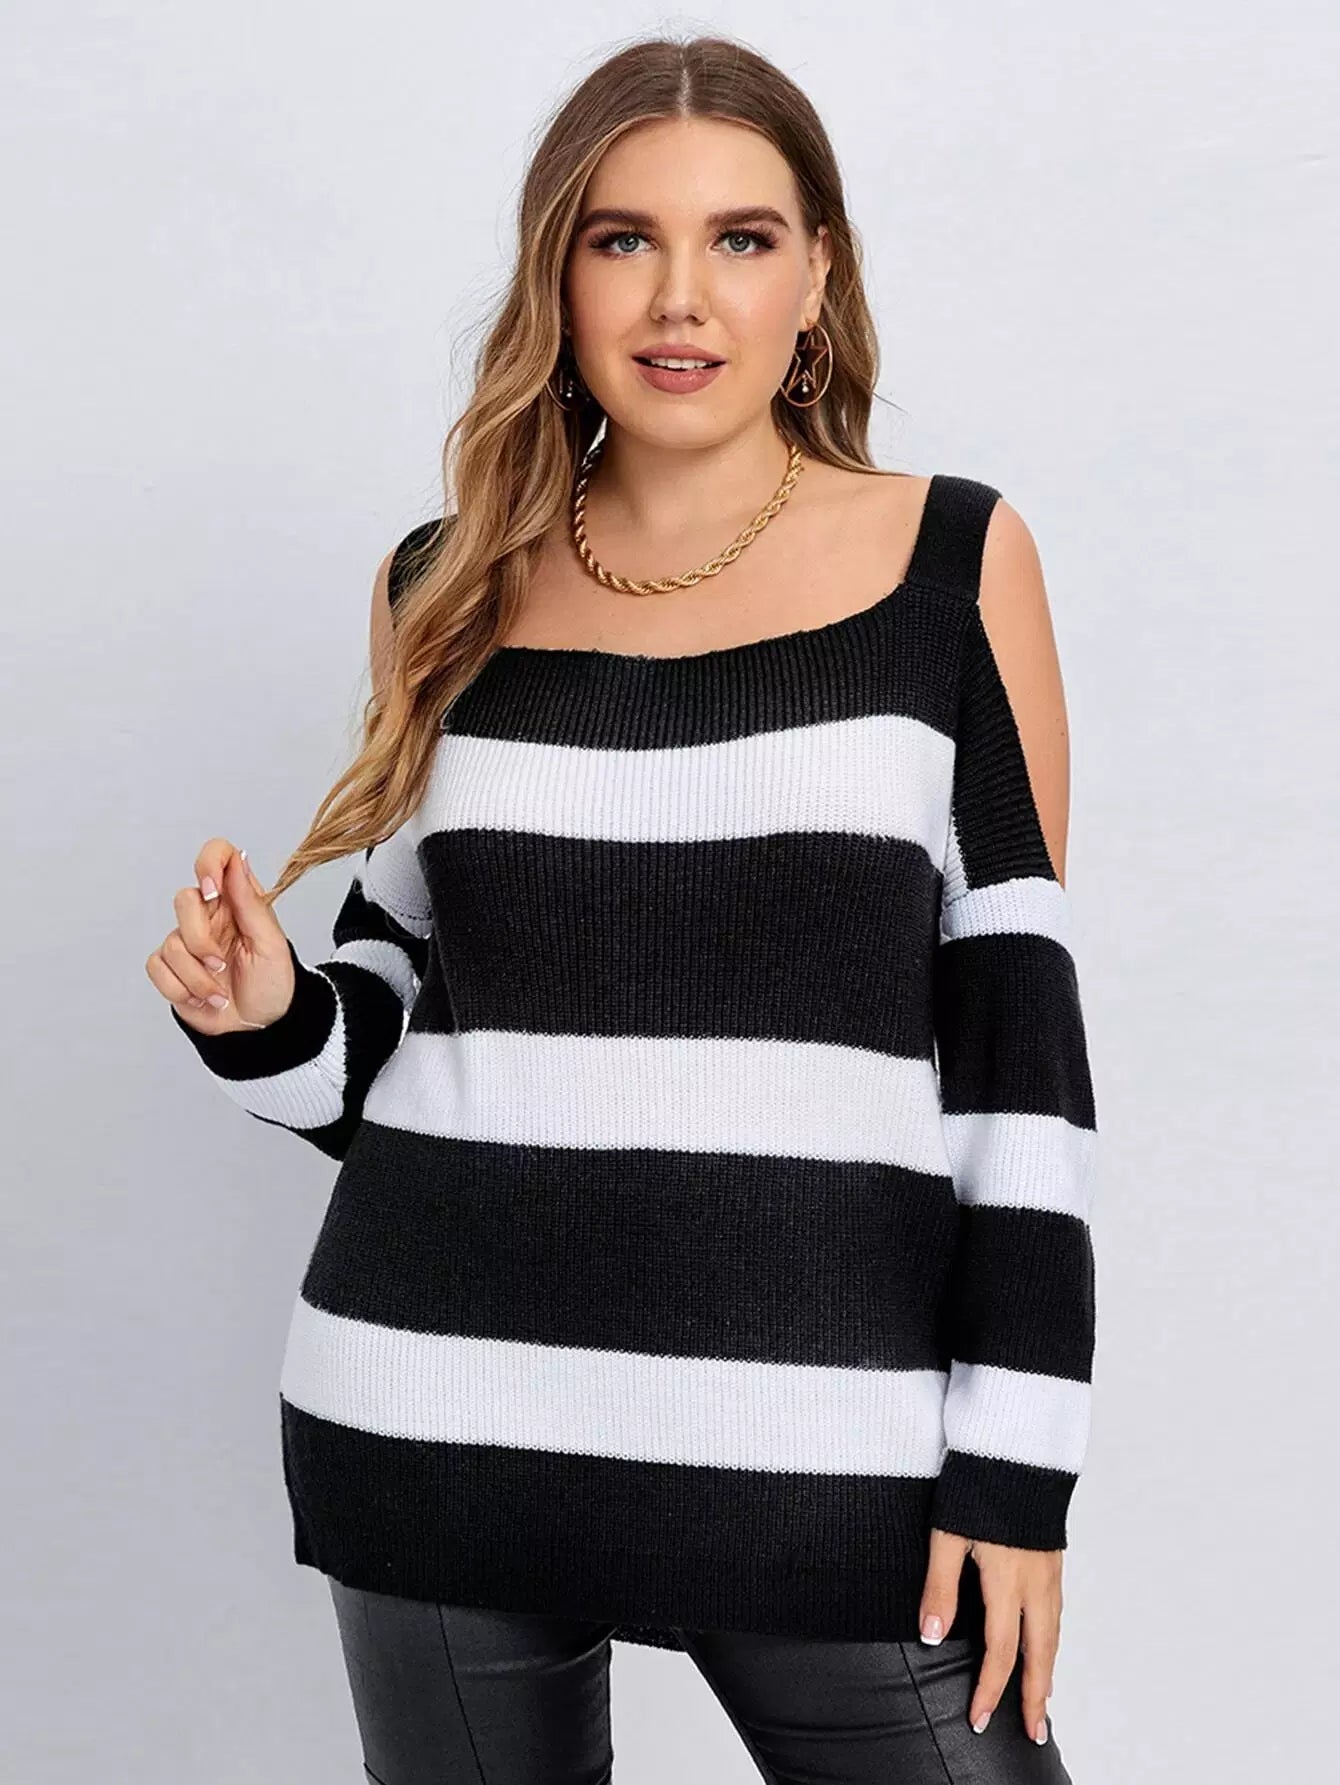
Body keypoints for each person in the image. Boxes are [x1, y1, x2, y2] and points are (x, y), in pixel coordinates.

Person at [146, 34, 1097, 1785]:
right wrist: (264, 1013)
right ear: (557, 276)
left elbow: (1018, 1064)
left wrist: (1016, 1473)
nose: (681, 297)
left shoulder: (956, 563)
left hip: (828, 1449)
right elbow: (392, 1049)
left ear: (818, 276)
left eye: (741, 238)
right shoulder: (443, 585)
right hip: (436, 1412)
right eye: (622, 238)